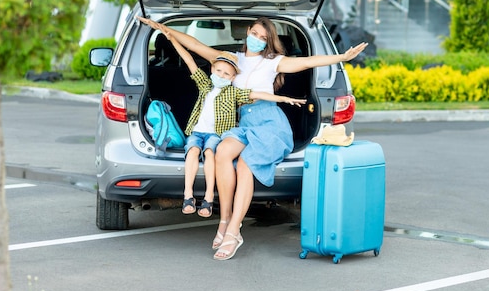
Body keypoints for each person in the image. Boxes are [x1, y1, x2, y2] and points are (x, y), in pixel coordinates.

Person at [137, 15, 367, 260]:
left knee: (246, 164)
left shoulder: (273, 62)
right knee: (223, 152)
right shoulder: (231, 60)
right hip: (245, 123)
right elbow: (195, 46)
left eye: (263, 38)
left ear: (268, 42)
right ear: (247, 32)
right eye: (255, 34)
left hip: (270, 124)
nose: (257, 40)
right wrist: (164, 29)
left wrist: (341, 57)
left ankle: (234, 231)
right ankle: (224, 221)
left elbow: (307, 61)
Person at [160, 29, 307, 219]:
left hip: (217, 134)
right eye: (218, 71)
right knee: (194, 152)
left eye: (227, 74)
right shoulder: (205, 84)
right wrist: (171, 37)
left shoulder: (234, 92)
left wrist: (283, 98)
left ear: (233, 78)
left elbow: (257, 94)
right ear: (211, 69)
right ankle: (188, 196)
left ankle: (208, 199)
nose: (221, 75)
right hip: (197, 132)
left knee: (211, 153)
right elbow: (191, 56)